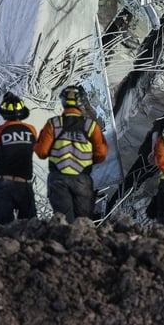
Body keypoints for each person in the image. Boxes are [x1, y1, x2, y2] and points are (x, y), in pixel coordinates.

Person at [34, 85, 108, 222]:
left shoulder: (53, 124)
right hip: (82, 180)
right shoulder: (91, 126)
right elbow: (101, 154)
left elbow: (42, 152)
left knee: (64, 222)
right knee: (83, 223)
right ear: (80, 103)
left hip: (58, 180)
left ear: (63, 102)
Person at [0, 91, 38, 224]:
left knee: (3, 225)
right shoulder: (31, 130)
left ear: (4, 113)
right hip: (23, 183)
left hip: (2, 182)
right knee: (29, 225)